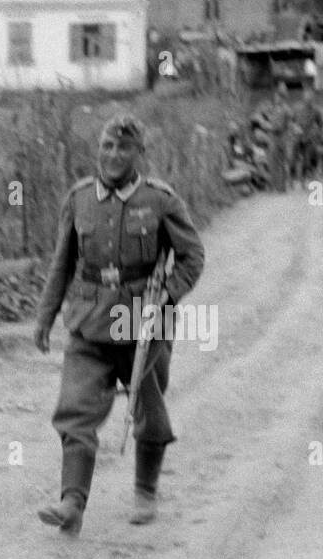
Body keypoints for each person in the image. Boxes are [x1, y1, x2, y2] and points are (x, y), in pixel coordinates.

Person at [33, 113, 205, 534]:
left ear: (139, 154)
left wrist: (167, 295)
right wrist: (45, 316)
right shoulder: (78, 199)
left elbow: (192, 256)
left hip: (142, 319)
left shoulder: (160, 200)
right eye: (107, 146)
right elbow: (62, 263)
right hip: (89, 318)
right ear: (99, 150)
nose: (113, 155)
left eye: (124, 148)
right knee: (75, 410)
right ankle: (72, 503)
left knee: (149, 408)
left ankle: (145, 491)